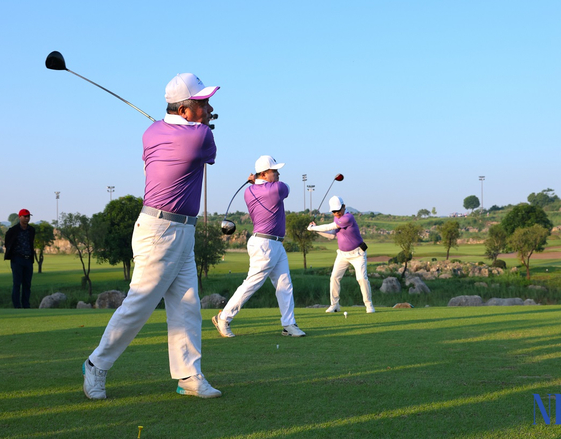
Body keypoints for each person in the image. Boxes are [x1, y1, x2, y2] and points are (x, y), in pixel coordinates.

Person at [82, 73, 221, 400]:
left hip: (181, 229)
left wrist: (175, 123)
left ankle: (188, 375)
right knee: (140, 304)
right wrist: (201, 124)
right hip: (162, 231)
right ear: (186, 110)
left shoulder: (151, 132)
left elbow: (167, 134)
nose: (210, 107)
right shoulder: (199, 136)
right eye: (203, 103)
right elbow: (208, 151)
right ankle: (96, 364)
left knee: (187, 305)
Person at [212, 156, 306, 338]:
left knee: (285, 285)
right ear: (264, 173)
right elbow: (286, 188)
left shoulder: (249, 191)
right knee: (252, 284)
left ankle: (288, 324)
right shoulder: (277, 189)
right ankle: (223, 317)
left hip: (275, 244)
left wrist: (254, 181)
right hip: (265, 244)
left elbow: (258, 185)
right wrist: (257, 181)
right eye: (274, 171)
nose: (278, 174)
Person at [308, 196, 375, 313]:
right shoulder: (337, 219)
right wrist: (316, 229)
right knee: (334, 277)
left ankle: (369, 305)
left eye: (338, 210)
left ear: (344, 207)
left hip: (357, 254)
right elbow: (331, 234)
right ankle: (335, 305)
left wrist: (314, 228)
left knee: (361, 278)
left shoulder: (348, 218)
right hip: (342, 254)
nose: (336, 213)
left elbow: (330, 227)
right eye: (334, 211)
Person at [4, 208, 36, 308]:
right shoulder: (13, 230)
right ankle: (17, 305)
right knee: (17, 283)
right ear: (20, 217)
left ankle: (26, 304)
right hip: (17, 259)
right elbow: (7, 243)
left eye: (28, 216)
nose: (27, 218)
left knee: (27, 284)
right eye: (25, 216)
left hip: (28, 259)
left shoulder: (31, 230)